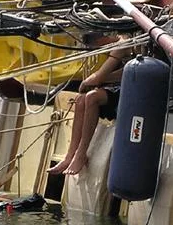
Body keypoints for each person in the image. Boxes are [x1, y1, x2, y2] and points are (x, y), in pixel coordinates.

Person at [49, 37, 132, 176]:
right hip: (121, 83)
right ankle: (70, 155)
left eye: (93, 44)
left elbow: (99, 77)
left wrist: (89, 82)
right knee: (80, 100)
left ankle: (81, 153)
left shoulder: (122, 44)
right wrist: (98, 80)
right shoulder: (116, 45)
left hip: (133, 88)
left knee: (92, 97)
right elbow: (122, 72)